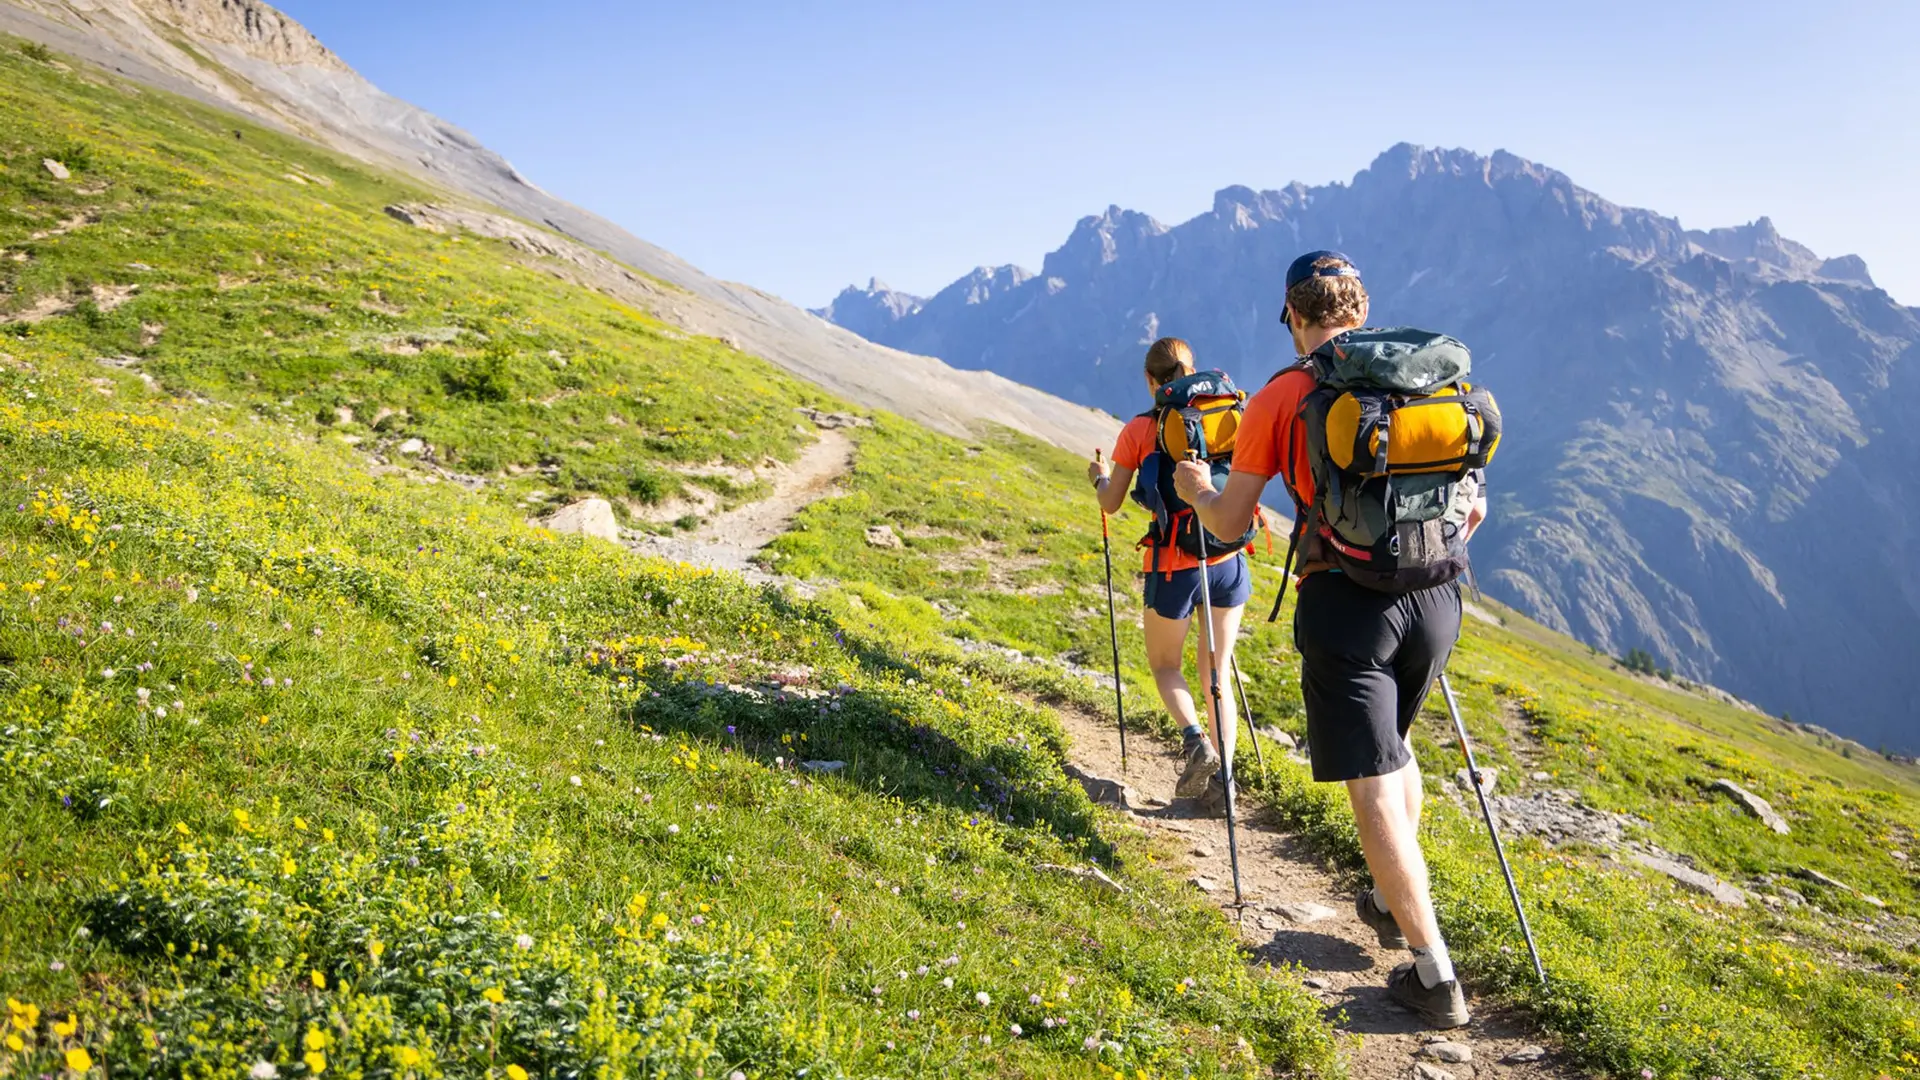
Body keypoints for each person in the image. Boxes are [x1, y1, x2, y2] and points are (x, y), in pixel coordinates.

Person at [1173, 252, 1486, 1029]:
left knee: (1370, 780)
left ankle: (1433, 972)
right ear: (1362, 305)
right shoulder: (1420, 375)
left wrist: (1196, 489)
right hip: (1439, 593)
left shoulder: (1286, 393)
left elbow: (1233, 522)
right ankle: (1387, 893)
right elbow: (1471, 501)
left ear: (1292, 315)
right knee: (1396, 747)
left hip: (1348, 603)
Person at [1087, 337, 1250, 811]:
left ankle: (1197, 743)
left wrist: (1098, 476)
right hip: (1227, 559)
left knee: (1165, 666)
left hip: (1173, 563)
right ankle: (1227, 782)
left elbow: (1111, 502)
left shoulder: (1140, 429)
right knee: (1215, 672)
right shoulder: (1225, 414)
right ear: (1193, 370)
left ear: (1150, 380)